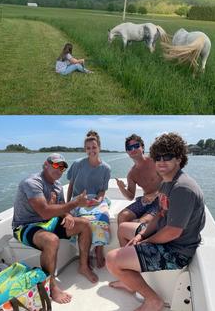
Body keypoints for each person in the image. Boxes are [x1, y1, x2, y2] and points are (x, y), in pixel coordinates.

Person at [106, 133, 205, 311]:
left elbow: (173, 232)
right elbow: (159, 214)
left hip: (176, 249)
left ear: (179, 158)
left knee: (112, 260)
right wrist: (141, 234)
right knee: (122, 227)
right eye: (158, 157)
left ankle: (153, 301)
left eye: (167, 156)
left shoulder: (182, 188)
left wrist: (144, 242)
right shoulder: (167, 182)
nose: (161, 161)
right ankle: (130, 282)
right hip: (163, 235)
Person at [12, 154, 97, 304]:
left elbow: (61, 207)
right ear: (46, 164)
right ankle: (51, 286)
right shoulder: (32, 183)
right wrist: (75, 203)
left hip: (49, 222)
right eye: (57, 165)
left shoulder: (57, 186)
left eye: (63, 167)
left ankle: (83, 266)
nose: (60, 170)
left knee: (85, 224)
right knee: (52, 240)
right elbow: (44, 211)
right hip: (26, 225)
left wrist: (68, 215)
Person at [67, 130, 112, 268]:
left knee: (103, 217)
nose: (91, 150)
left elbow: (102, 190)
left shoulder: (106, 168)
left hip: (96, 200)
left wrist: (99, 200)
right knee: (84, 221)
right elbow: (71, 185)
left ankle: (99, 251)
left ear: (99, 147)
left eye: (94, 147)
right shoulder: (77, 164)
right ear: (85, 149)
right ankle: (84, 256)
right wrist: (68, 206)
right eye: (88, 148)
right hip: (78, 200)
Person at [115, 134, 161, 246]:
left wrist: (156, 193)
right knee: (122, 216)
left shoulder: (155, 162)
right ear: (127, 152)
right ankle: (124, 252)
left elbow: (171, 180)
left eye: (136, 146)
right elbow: (130, 196)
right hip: (144, 201)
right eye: (129, 148)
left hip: (161, 200)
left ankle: (137, 252)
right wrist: (121, 188)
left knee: (141, 222)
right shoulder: (132, 174)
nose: (133, 149)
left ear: (143, 147)